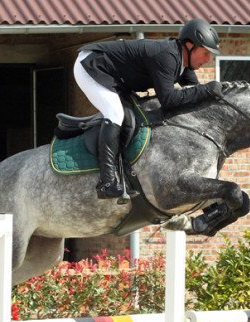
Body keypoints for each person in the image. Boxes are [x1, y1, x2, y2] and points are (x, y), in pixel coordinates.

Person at [74, 18, 224, 199]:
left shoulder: (183, 64)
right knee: (115, 113)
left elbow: (194, 95)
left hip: (114, 77)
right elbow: (169, 99)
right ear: (190, 45)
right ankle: (106, 182)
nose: (208, 60)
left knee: (132, 117)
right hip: (91, 65)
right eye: (206, 53)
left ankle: (123, 174)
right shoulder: (167, 56)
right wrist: (206, 90)